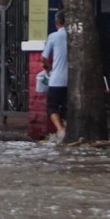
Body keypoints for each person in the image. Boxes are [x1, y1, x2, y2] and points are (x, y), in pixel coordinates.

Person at [41, 9, 68, 141]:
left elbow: (44, 57)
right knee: (67, 107)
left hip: (57, 79)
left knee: (52, 107)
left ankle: (60, 130)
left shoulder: (53, 37)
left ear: (57, 22)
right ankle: (67, 129)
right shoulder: (74, 36)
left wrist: (47, 68)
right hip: (71, 81)